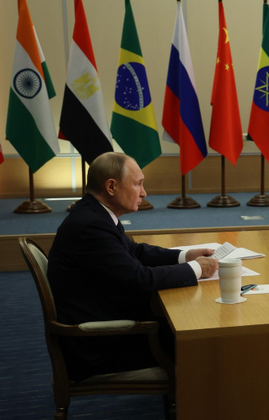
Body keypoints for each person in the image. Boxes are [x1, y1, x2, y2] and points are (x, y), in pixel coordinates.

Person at [47, 152, 219, 381]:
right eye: (138, 184)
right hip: (99, 346)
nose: (144, 193)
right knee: (201, 341)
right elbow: (141, 279)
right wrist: (197, 269)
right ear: (111, 186)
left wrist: (185, 256)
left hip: (105, 321)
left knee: (189, 323)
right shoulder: (90, 225)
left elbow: (135, 252)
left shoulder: (94, 213)